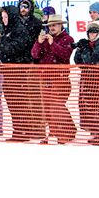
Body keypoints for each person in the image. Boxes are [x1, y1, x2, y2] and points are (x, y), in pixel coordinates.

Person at [0, 6, 44, 141]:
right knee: (12, 104)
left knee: (20, 104)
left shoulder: (20, 30)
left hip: (18, 73)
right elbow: (3, 51)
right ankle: (19, 130)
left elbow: (18, 47)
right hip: (7, 72)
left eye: (6, 17)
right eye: (2, 17)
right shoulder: (6, 31)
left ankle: (23, 131)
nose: (4, 20)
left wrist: (0, 46)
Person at [30, 14, 75, 144]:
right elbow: (34, 54)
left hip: (60, 79)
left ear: (61, 25)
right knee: (49, 108)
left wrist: (52, 44)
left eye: (55, 25)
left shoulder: (68, 39)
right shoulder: (44, 39)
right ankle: (60, 131)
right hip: (45, 78)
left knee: (57, 107)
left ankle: (65, 132)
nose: (52, 28)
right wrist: (38, 43)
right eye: (50, 25)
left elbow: (65, 54)